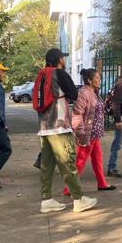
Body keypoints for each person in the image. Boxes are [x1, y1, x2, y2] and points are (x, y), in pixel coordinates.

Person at [37, 48, 97, 214]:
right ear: (59, 60)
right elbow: (73, 94)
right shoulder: (59, 73)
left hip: (44, 127)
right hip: (59, 126)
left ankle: (46, 200)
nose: (64, 60)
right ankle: (78, 199)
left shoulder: (42, 74)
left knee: (47, 166)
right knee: (68, 163)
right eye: (63, 58)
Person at [64, 68, 115, 195]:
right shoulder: (83, 93)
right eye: (97, 78)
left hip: (94, 134)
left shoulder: (94, 91)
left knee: (98, 159)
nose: (99, 80)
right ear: (89, 80)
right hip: (87, 134)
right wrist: (79, 132)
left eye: (99, 77)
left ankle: (102, 183)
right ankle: (68, 188)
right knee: (80, 161)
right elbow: (77, 113)